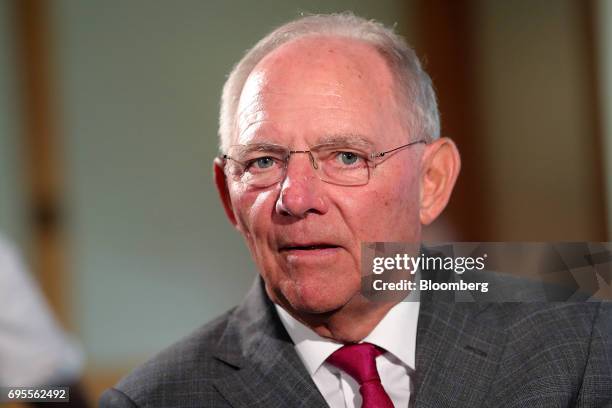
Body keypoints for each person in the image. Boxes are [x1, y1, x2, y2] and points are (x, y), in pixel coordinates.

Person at [100, 13, 612, 407]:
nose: (297, 199)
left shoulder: (581, 344)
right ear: (226, 194)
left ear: (431, 182)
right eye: (262, 161)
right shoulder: (155, 400)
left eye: (346, 157)